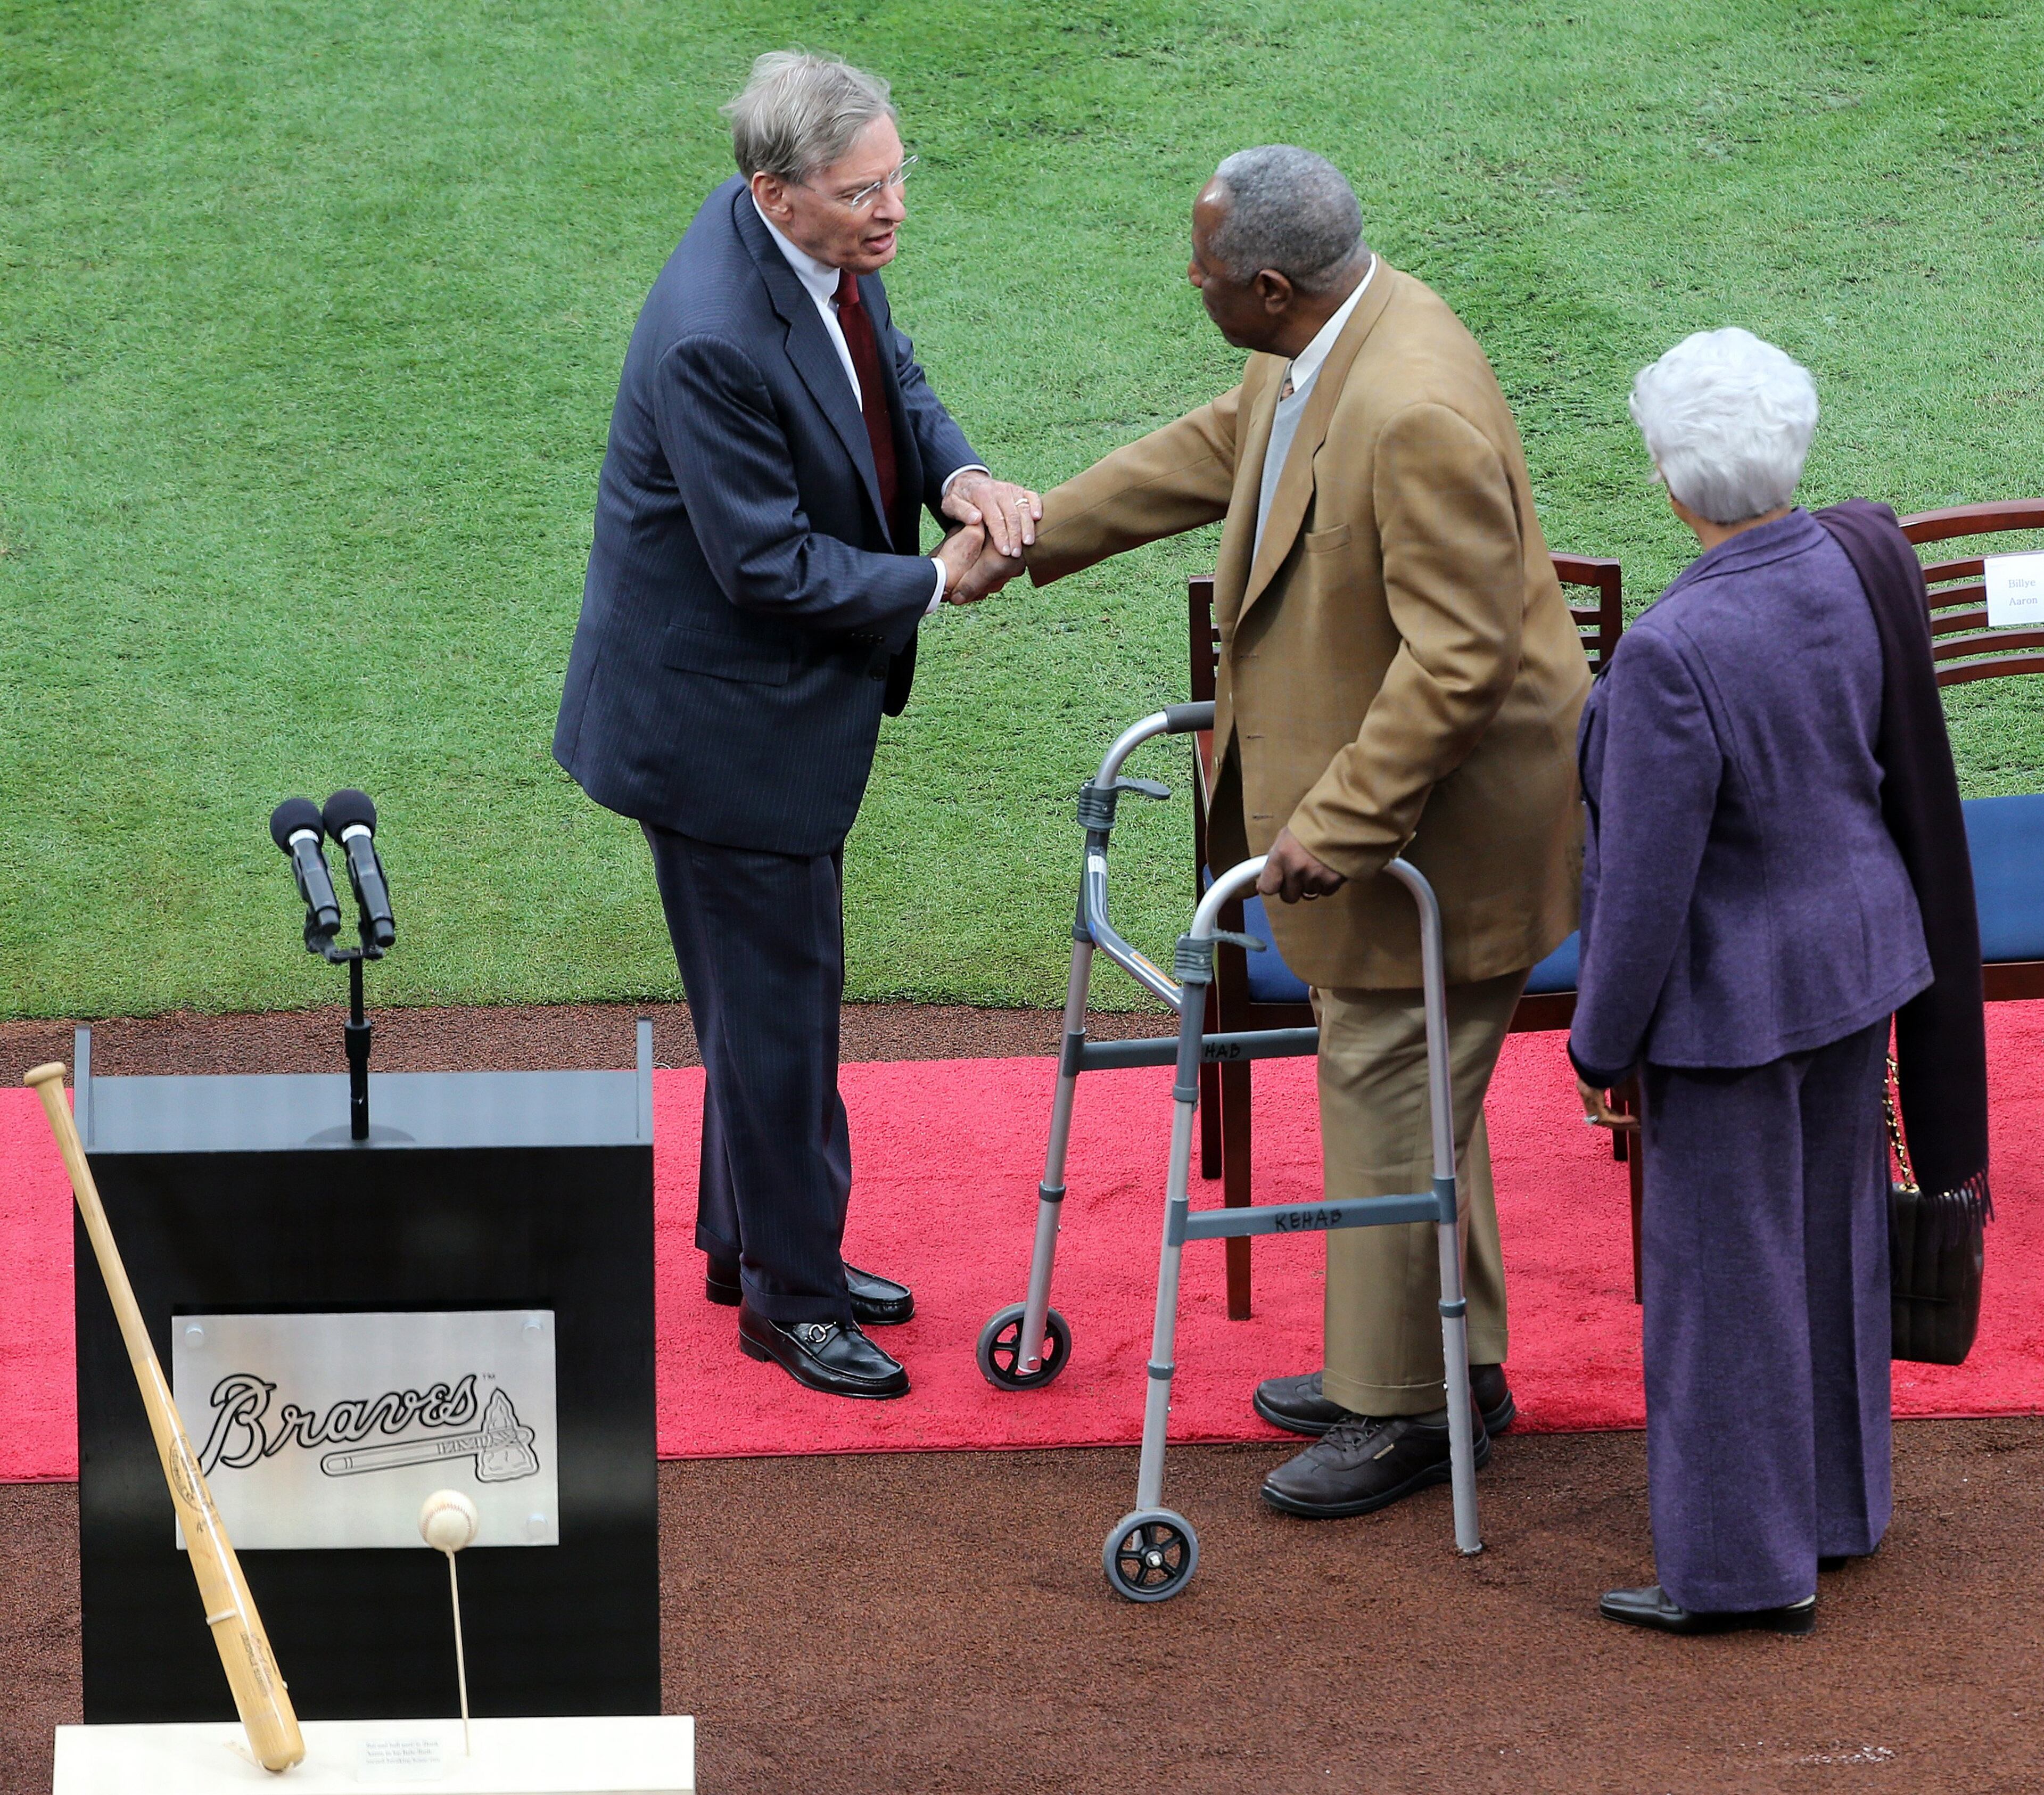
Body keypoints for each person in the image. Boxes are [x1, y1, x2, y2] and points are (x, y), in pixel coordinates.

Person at [978, 146, 1590, 1516]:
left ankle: (1403, 1411)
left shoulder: (1410, 405)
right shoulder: (1327, 334)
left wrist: (1346, 818)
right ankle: (1452, 1365)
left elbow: (1461, 656)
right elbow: (1219, 445)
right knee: (1417, 1088)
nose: (1186, 281)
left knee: (1386, 1080)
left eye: (1200, 268)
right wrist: (1029, 536)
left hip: (1444, 833)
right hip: (1406, 815)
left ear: (1266, 285)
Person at [553, 52, 1041, 1401]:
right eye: (859, 192)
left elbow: (895, 376)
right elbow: (766, 565)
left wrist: (963, 478)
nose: (891, 212)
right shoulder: (714, 330)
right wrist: (942, 577)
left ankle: (749, 1245)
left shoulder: (811, 249)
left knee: (763, 1004)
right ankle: (792, 1300)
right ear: (775, 192)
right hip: (719, 737)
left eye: (896, 178)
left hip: (745, 716)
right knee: (778, 1019)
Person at [1571, 327, 1989, 1634]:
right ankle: (1835, 1514)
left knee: (1722, 1290)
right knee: (1832, 1254)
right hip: (1861, 960)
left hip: (1730, 1007)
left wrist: (1597, 1044)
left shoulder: (1668, 654)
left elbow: (1642, 889)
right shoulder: (1855, 563)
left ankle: (1742, 1573)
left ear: (1667, 478)